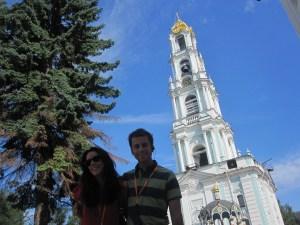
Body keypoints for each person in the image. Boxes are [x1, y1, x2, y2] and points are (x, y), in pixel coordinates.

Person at [122, 128, 184, 225]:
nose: (141, 149)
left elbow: (177, 217)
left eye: (144, 145)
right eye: (136, 146)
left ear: (152, 147)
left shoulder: (168, 176)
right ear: (132, 151)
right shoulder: (127, 178)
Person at [72, 146, 123, 225]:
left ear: (105, 160)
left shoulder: (119, 186)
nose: (92, 163)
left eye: (96, 159)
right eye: (88, 162)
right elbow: (79, 214)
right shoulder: (80, 190)